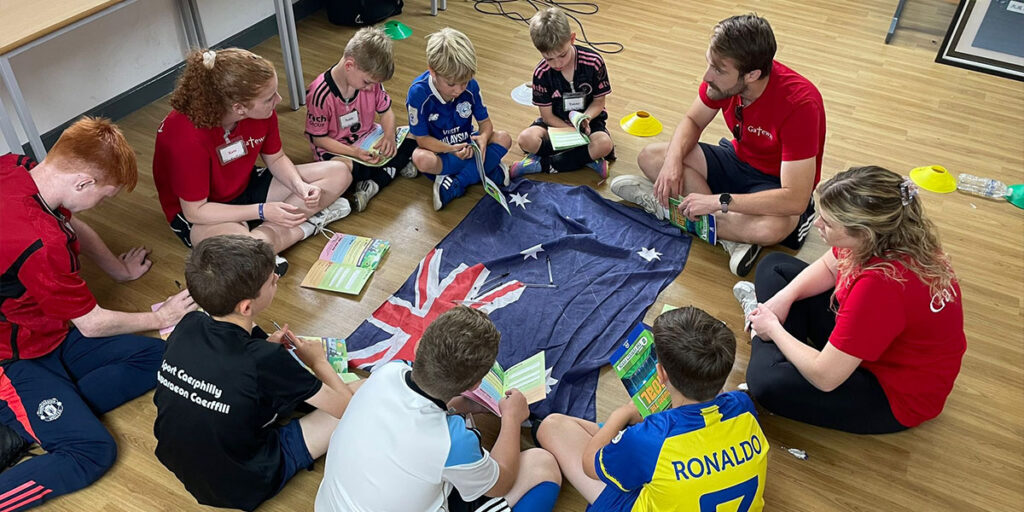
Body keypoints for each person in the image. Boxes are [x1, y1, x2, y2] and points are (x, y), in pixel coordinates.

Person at [0, 117, 196, 511]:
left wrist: (120, 272)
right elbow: (91, 324)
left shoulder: (17, 168)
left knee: (162, 359)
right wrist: (161, 317)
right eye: (104, 197)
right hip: (11, 359)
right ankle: (34, 420)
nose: (101, 204)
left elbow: (71, 224)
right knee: (90, 450)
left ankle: (37, 418)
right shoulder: (39, 243)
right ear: (83, 183)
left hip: (47, 331)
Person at [735, 166, 967, 434]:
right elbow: (830, 265)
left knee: (764, 383)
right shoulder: (897, 234)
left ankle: (763, 333)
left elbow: (825, 377)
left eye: (828, 223)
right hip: (878, 342)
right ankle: (776, 342)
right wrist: (782, 300)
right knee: (773, 267)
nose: (817, 225)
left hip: (892, 393)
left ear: (864, 234)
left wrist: (772, 328)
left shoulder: (881, 287)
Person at [153, 235, 359, 511]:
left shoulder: (189, 323)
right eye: (272, 280)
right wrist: (318, 361)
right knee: (362, 392)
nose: (276, 277)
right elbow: (346, 408)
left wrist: (267, 349)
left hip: (182, 462)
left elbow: (226, 371)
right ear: (246, 306)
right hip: (244, 481)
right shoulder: (264, 359)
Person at [609, 14, 825, 277]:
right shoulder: (722, 83)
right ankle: (729, 236)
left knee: (773, 228)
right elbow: (692, 120)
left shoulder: (800, 104)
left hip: (774, 183)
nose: (707, 76)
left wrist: (716, 202)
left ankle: (667, 207)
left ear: (752, 75)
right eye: (709, 63)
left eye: (719, 70)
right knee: (652, 157)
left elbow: (795, 199)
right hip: (736, 159)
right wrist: (673, 164)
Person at [315, 306, 562, 512]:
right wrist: (511, 418)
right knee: (542, 465)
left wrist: (462, 406)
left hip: (332, 504)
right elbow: (501, 483)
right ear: (476, 384)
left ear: (418, 345)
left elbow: (416, 411)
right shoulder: (453, 442)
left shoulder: (388, 371)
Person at [537, 306, 768, 511]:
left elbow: (589, 464)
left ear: (661, 374)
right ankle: (619, 443)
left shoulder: (651, 439)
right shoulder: (743, 405)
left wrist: (623, 413)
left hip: (646, 466)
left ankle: (618, 440)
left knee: (551, 426)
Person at [153, 48, 353, 274]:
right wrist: (261, 211)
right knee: (239, 247)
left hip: (245, 186)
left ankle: (263, 247)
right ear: (238, 107)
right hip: (204, 211)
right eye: (270, 98)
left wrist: (301, 187)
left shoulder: (262, 111)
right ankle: (306, 226)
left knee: (339, 172)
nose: (278, 100)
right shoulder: (185, 137)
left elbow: (276, 158)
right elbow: (195, 212)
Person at [305, 26, 418, 213]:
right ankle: (388, 172)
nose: (370, 88)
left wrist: (389, 136)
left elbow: (387, 112)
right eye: (367, 83)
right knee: (342, 169)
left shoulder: (369, 79)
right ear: (349, 65)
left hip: (368, 139)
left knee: (414, 135)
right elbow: (318, 139)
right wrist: (354, 152)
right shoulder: (320, 93)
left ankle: (372, 182)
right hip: (337, 150)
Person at [407, 28, 513, 210]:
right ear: (432, 72)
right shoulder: (418, 93)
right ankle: (484, 171)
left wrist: (483, 139)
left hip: (468, 146)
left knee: (504, 138)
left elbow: (485, 123)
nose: (458, 90)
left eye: (464, 82)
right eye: (451, 84)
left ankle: (456, 182)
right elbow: (422, 139)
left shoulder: (471, 86)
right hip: (441, 151)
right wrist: (450, 149)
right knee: (420, 159)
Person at [509, 7, 614, 180]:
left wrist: (585, 120)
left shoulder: (594, 62)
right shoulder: (541, 73)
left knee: (604, 144)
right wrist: (570, 131)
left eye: (563, 55)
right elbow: (547, 116)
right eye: (549, 58)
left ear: (572, 39)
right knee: (525, 139)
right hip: (556, 125)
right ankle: (584, 159)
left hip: (589, 123)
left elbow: (598, 102)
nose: (557, 63)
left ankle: (542, 165)